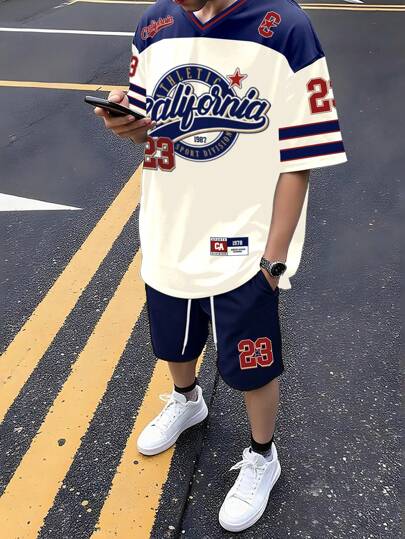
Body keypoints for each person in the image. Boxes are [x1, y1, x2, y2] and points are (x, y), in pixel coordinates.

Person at [94, 0, 347, 532]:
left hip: (243, 241)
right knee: (173, 340)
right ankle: (187, 401)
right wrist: (127, 124)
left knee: (253, 363)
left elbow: (302, 155)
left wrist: (273, 260)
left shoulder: (285, 27)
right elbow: (152, 133)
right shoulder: (154, 24)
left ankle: (262, 455)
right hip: (169, 226)